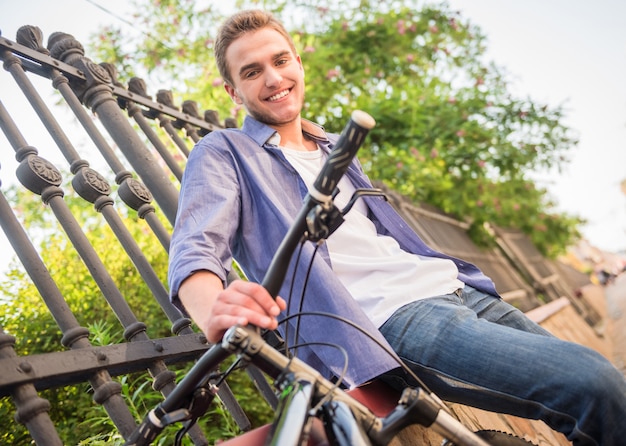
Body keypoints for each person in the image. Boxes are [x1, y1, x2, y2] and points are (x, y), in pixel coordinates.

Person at [168, 9, 626, 445]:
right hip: (396, 319)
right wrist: (212, 310)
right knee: (593, 384)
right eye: (251, 72)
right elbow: (195, 247)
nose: (273, 78)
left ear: (298, 63)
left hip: (458, 289)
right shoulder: (223, 151)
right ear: (232, 92)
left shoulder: (333, 146)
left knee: (609, 396)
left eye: (280, 60)